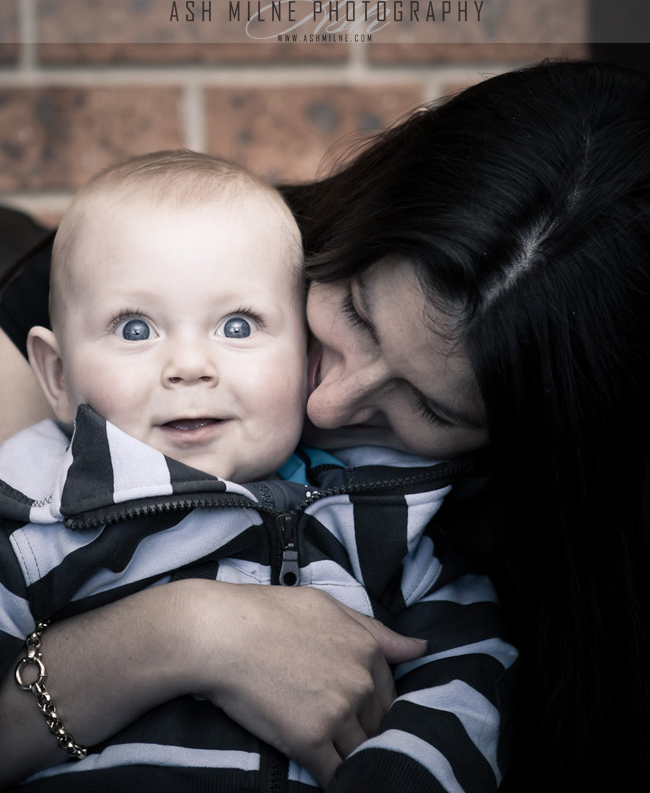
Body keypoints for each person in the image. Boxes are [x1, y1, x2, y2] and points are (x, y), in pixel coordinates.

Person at [0, 57, 647, 792]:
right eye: (355, 313)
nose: (329, 405)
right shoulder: (138, 268)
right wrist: (187, 632)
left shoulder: (421, 541)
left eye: (431, 407)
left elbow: (461, 695)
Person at [0, 150, 516, 792]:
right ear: (54, 374)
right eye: (135, 329)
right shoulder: (35, 519)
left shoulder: (380, 519)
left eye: (237, 325)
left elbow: (465, 677)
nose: (189, 365)